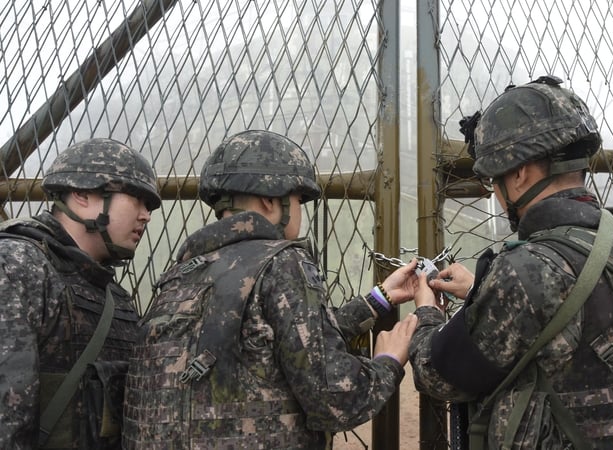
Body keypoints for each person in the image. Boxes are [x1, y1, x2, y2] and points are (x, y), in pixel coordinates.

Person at [408, 76, 613, 449]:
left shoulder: (526, 270)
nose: (497, 193)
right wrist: (479, 290)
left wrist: (427, 313)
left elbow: (438, 376)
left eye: (495, 179)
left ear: (519, 172)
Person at [122, 129, 419, 449]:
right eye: (297, 199)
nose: (300, 211)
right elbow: (339, 400)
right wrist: (388, 360)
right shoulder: (282, 261)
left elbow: (278, 341)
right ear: (271, 199)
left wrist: (377, 300)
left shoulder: (178, 275)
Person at [0, 138, 162, 449]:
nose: (146, 215)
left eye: (150, 206)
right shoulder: (17, 267)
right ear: (83, 194)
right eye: (137, 199)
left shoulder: (114, 296)